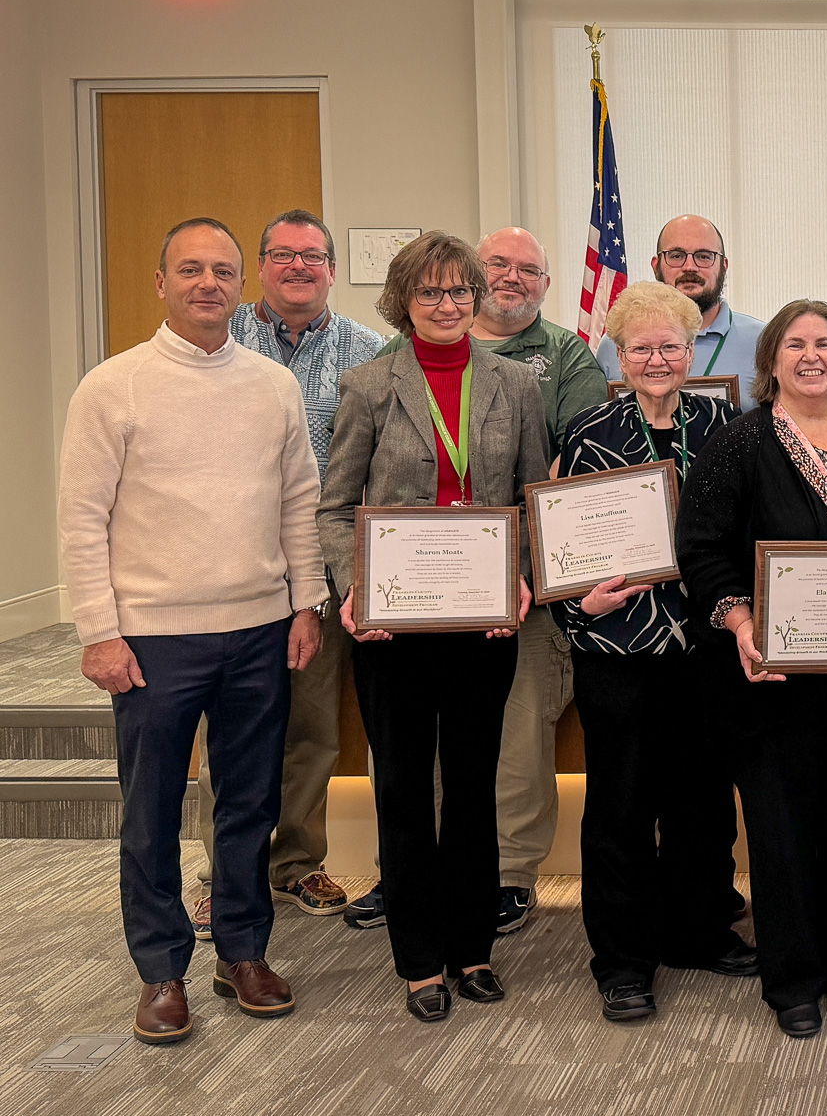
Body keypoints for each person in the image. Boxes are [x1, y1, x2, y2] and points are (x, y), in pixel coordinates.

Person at [60, 217, 326, 1044]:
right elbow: (80, 519)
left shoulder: (272, 386)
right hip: (150, 640)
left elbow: (298, 501)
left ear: (239, 284)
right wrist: (100, 630)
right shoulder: (113, 385)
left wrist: (307, 601)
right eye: (190, 269)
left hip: (258, 628)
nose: (208, 283)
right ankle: (162, 969)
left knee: (249, 803)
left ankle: (242, 950)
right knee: (151, 814)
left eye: (222, 270)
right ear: (161, 281)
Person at [319, 231, 548, 1022]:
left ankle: (473, 946)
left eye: (460, 291)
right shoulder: (369, 383)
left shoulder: (516, 384)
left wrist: (524, 580)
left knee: (477, 788)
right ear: (402, 299)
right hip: (393, 631)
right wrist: (352, 590)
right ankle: (420, 959)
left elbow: (532, 495)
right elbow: (335, 505)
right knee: (406, 791)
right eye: (431, 292)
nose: (448, 305)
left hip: (485, 625)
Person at [358, 226, 610, 935]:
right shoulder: (382, 369)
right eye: (496, 264)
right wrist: (357, 583)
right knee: (408, 755)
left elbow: (560, 473)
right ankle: (405, 873)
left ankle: (504, 876)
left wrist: (525, 573)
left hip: (507, 595)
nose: (510, 278)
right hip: (406, 592)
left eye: (529, 269)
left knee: (507, 740)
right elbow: (348, 488)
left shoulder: (555, 361)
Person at [678, 300, 827, 1040]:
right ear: (771, 358)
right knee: (781, 831)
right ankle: (794, 979)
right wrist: (743, 621)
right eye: (795, 344)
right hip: (770, 679)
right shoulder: (737, 443)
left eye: (824, 343)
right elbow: (703, 551)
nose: (811, 355)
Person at [553, 280, 752, 1022]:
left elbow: (746, 524)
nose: (658, 358)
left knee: (703, 800)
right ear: (620, 353)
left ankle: (699, 931)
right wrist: (581, 601)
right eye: (642, 347)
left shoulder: (726, 424)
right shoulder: (587, 431)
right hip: (619, 646)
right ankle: (624, 959)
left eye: (672, 344)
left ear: (693, 346)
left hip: (705, 645)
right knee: (620, 806)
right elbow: (562, 546)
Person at [183, 209, 380, 939]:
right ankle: (221, 876)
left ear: (331, 268)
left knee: (311, 728)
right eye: (284, 254)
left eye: (313, 256)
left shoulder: (369, 352)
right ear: (262, 265)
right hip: (225, 572)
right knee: (229, 734)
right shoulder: (213, 339)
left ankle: (296, 862)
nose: (299, 266)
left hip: (320, 575)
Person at [598, 214, 766, 409]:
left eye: (704, 256)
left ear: (723, 266)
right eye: (676, 256)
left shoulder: (762, 341)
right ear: (656, 265)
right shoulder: (615, 343)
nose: (690, 267)